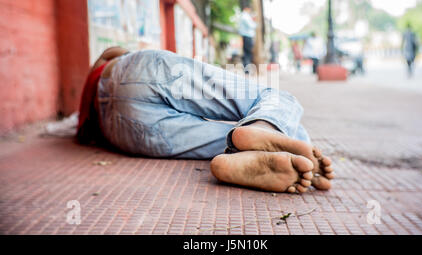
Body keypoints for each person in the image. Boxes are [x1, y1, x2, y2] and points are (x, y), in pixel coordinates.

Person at [77, 47, 335, 194]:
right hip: (138, 69)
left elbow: (83, 135)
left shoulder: (83, 122)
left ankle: (254, 146)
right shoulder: (104, 61)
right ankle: (265, 128)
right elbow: (115, 51)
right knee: (273, 97)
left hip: (120, 131)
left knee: (220, 141)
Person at [238, 6, 257, 74]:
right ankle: (247, 70)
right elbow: (252, 26)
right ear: (246, 8)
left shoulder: (244, 16)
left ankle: (247, 69)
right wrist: (254, 21)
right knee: (248, 53)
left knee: (247, 53)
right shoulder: (245, 16)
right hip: (247, 36)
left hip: (246, 36)